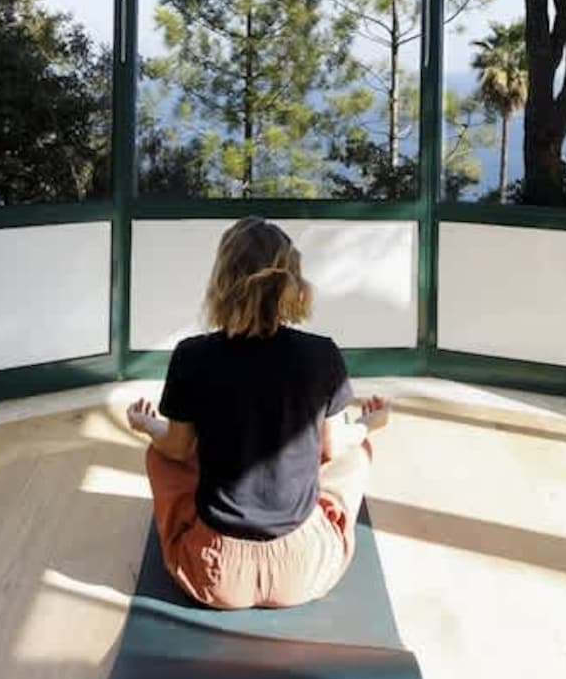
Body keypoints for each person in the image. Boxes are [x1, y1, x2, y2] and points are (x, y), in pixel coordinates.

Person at [125, 216, 390, 610]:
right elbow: (333, 448)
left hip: (213, 573)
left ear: (222, 281)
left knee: (160, 456)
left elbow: (177, 449)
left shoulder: (192, 355)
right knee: (356, 455)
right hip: (303, 570)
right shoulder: (321, 354)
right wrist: (369, 424)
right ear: (291, 281)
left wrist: (146, 425)